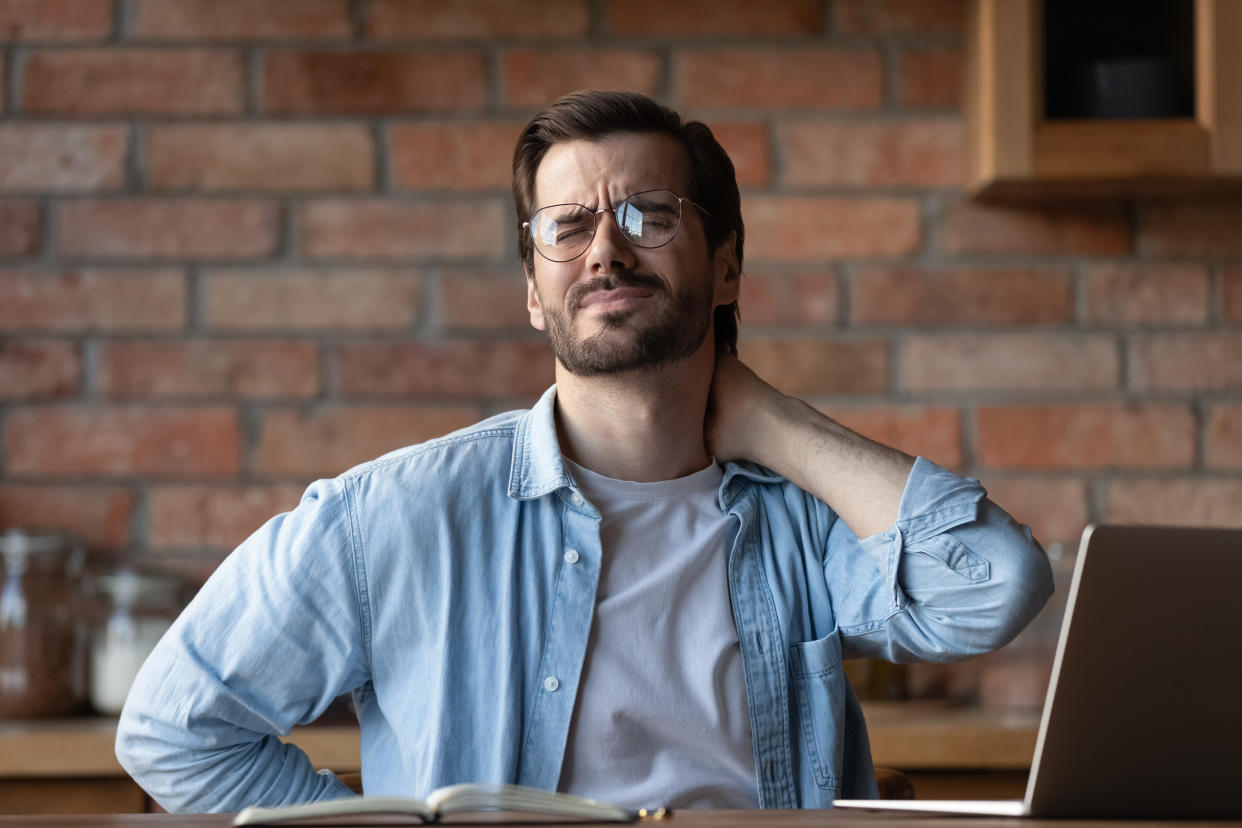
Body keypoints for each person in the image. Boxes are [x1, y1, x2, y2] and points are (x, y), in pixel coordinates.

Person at [116, 90, 1053, 813]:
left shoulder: (802, 520)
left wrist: (766, 418)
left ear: (725, 266)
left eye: (650, 214)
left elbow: (994, 587)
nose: (605, 250)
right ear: (533, 289)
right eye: (567, 227)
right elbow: (173, 729)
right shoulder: (391, 516)